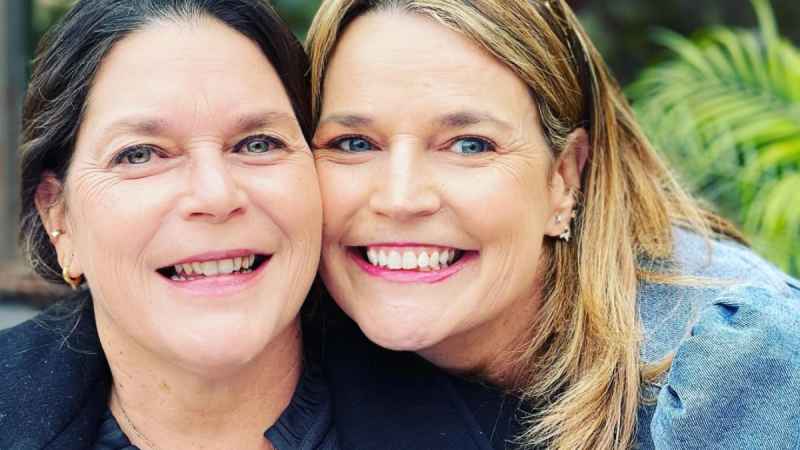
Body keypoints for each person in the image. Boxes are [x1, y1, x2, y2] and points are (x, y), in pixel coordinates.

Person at [305, 0, 800, 449]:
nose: (400, 199)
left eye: (470, 145)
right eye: (353, 143)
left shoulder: (737, 369)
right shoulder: (301, 340)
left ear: (564, 177)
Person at [0, 1, 336, 449]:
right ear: (57, 215)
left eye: (258, 144)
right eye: (139, 154)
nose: (216, 196)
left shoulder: (433, 407)